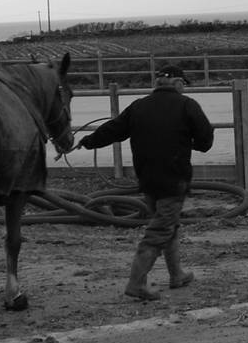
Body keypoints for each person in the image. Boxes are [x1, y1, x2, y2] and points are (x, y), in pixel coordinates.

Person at [75, 64, 216, 301]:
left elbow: (113, 130)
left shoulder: (139, 106)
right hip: (174, 179)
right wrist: (184, 142)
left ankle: (177, 275)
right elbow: (205, 141)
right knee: (160, 230)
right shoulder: (187, 105)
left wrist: (87, 141)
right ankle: (136, 283)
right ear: (179, 84)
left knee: (168, 225)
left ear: (158, 83)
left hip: (147, 180)